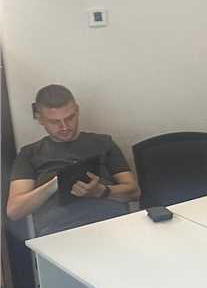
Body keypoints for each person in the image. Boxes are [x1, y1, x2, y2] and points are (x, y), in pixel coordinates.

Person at [7, 84, 139, 237]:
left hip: (113, 226)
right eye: (54, 122)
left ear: (77, 110)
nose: (64, 127)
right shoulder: (29, 154)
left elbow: (134, 192)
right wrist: (57, 183)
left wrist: (102, 191)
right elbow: (15, 210)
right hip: (60, 233)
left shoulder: (103, 142)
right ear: (40, 119)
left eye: (70, 118)